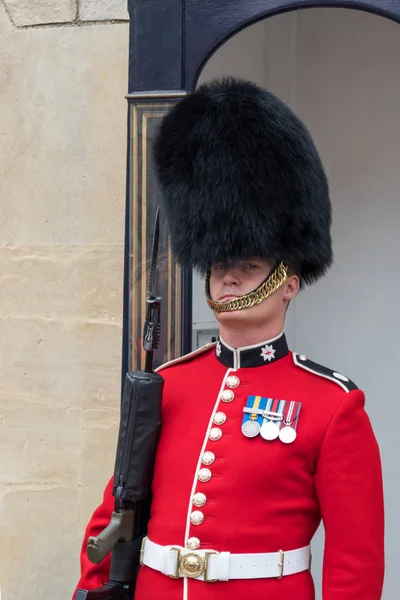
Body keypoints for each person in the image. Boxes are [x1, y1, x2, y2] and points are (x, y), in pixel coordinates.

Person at [74, 78, 384, 600]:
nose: (230, 277)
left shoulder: (332, 406)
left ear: (289, 283)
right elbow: (114, 514)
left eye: (248, 264)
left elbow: (355, 562)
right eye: (220, 264)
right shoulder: (167, 385)